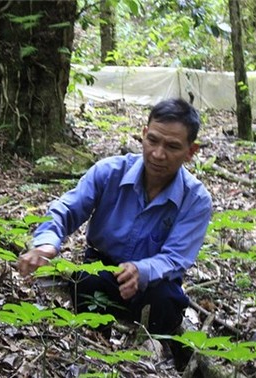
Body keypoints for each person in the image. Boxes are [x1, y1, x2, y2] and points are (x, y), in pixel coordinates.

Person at [17, 98, 212, 337]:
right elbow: (67, 208)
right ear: (143, 134)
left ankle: (153, 357)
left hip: (154, 284)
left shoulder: (195, 199)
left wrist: (142, 271)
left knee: (167, 303)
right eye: (152, 140)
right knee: (86, 281)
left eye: (172, 147)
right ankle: (94, 345)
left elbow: (176, 257)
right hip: (101, 271)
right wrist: (47, 242)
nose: (158, 154)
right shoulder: (110, 172)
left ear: (191, 151)